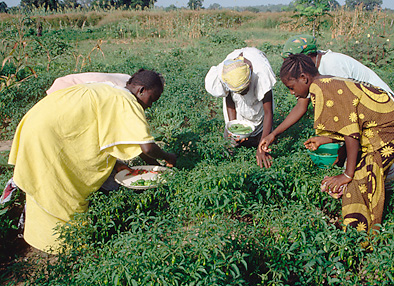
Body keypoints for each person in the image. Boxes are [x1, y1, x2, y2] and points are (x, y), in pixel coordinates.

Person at [8, 69, 177, 254]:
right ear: (141, 90)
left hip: (34, 124)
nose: (150, 106)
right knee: (63, 190)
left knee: (44, 185)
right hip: (47, 136)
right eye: (152, 99)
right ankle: (70, 247)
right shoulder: (126, 100)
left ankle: (42, 242)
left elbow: (133, 142)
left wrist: (153, 167)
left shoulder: (108, 89)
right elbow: (147, 148)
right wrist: (168, 157)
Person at [260, 54, 394, 231]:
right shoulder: (322, 84)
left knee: (358, 182)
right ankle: (363, 225)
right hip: (379, 129)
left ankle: (363, 234)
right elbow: (350, 124)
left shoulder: (325, 88)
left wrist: (347, 175)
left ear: (304, 78)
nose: (292, 93)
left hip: (392, 132)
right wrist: (324, 139)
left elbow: (351, 133)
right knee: (358, 174)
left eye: (291, 87)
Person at [205, 47, 276, 168]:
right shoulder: (227, 72)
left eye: (244, 90)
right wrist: (233, 127)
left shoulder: (261, 73)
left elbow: (268, 112)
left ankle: (258, 141)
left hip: (260, 110)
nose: (242, 94)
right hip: (236, 105)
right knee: (230, 143)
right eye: (238, 92)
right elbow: (229, 99)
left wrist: (261, 147)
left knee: (261, 138)